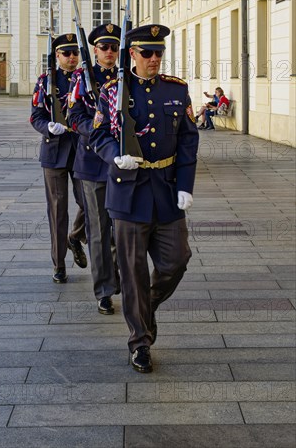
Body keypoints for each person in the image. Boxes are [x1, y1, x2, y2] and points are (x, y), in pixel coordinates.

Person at [89, 24, 199, 372]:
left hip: (165, 188)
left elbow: (188, 140)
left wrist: (185, 184)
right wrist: (112, 155)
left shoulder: (177, 90)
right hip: (128, 192)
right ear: (132, 53)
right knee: (133, 272)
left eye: (159, 53)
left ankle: (143, 307)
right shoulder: (112, 90)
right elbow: (98, 133)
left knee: (177, 260)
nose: (154, 59)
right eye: (147, 53)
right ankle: (140, 342)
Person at [68, 24, 121, 315]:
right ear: (95, 51)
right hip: (91, 164)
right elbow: (73, 115)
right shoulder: (82, 77)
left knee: (121, 229)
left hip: (122, 163)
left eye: (114, 47)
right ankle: (103, 289)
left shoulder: (127, 76)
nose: (110, 53)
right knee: (99, 230)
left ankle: (119, 277)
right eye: (104, 48)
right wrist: (96, 129)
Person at [30, 33, 87, 283]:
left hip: (82, 151)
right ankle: (59, 263)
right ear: (57, 56)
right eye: (67, 53)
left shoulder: (87, 80)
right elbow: (35, 116)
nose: (72, 57)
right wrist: (48, 127)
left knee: (89, 204)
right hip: (54, 152)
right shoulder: (45, 81)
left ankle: (75, 236)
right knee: (57, 210)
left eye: (75, 53)